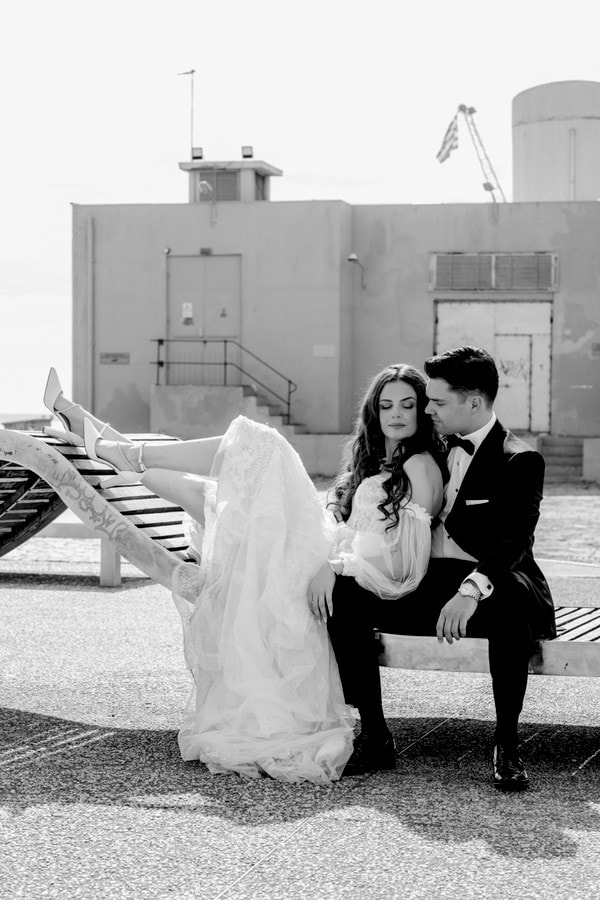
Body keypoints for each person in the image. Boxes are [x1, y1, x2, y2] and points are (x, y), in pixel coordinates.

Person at [43, 363, 444, 783]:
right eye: (386, 405)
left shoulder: (418, 465)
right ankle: (110, 445)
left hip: (332, 564)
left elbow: (404, 563)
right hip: (323, 548)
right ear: (374, 412)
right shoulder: (381, 460)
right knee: (213, 494)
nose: (396, 413)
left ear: (422, 411)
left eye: (407, 404)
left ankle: (112, 448)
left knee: (258, 446)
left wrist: (334, 566)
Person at [328, 346, 556, 790]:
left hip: (495, 582)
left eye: (437, 401)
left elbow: (515, 540)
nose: (427, 408)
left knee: (507, 599)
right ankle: (375, 734)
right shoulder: (430, 448)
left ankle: (506, 745)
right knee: (344, 594)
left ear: (473, 401)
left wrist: (471, 589)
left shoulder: (519, 460)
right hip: (429, 582)